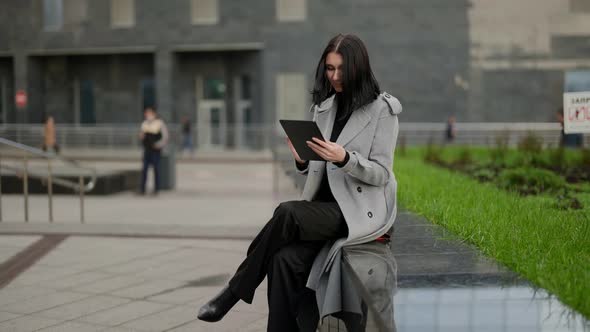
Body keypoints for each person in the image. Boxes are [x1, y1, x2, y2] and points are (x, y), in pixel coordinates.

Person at [197, 34, 402, 331]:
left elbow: (381, 173)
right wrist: (303, 161)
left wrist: (345, 158)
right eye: (329, 68)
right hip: (323, 210)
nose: (334, 76)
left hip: (358, 212)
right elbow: (317, 172)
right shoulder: (324, 108)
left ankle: (234, 292)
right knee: (281, 260)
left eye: (341, 69)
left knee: (287, 212)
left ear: (358, 67)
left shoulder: (383, 110)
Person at [139, 107, 169, 195]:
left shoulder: (159, 123)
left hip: (155, 151)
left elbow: (165, 137)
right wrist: (141, 137)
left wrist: (159, 145)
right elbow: (142, 136)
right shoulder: (144, 124)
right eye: (146, 113)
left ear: (154, 114)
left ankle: (156, 189)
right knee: (144, 169)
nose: (148, 115)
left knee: (156, 169)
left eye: (149, 113)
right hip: (147, 150)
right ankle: (142, 189)